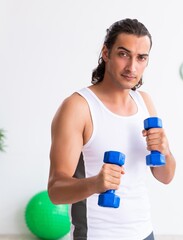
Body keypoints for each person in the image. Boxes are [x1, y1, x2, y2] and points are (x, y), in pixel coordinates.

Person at [48, 18, 176, 240]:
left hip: (144, 233)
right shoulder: (78, 107)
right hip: (97, 235)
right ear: (106, 53)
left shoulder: (145, 102)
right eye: (123, 54)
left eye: (141, 58)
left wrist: (165, 150)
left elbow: (165, 177)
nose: (132, 67)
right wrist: (95, 183)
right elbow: (56, 191)